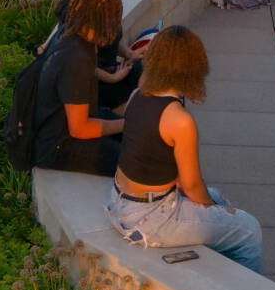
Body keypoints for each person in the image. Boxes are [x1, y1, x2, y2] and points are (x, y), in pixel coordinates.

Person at [103, 26, 265, 273]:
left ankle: (218, 268)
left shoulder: (137, 95)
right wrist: (214, 210)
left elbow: (155, 159)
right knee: (249, 230)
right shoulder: (180, 120)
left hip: (121, 203)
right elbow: (190, 185)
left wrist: (217, 207)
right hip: (150, 218)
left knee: (219, 198)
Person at [32, 0, 126, 175]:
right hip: (59, 148)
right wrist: (127, 124)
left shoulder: (73, 36)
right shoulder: (76, 58)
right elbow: (80, 129)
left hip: (67, 130)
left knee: (137, 137)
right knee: (136, 161)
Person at [54, 0, 144, 108]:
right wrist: (113, 78)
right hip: (90, 82)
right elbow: (79, 61)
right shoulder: (80, 9)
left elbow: (113, 36)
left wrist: (128, 53)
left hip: (111, 71)